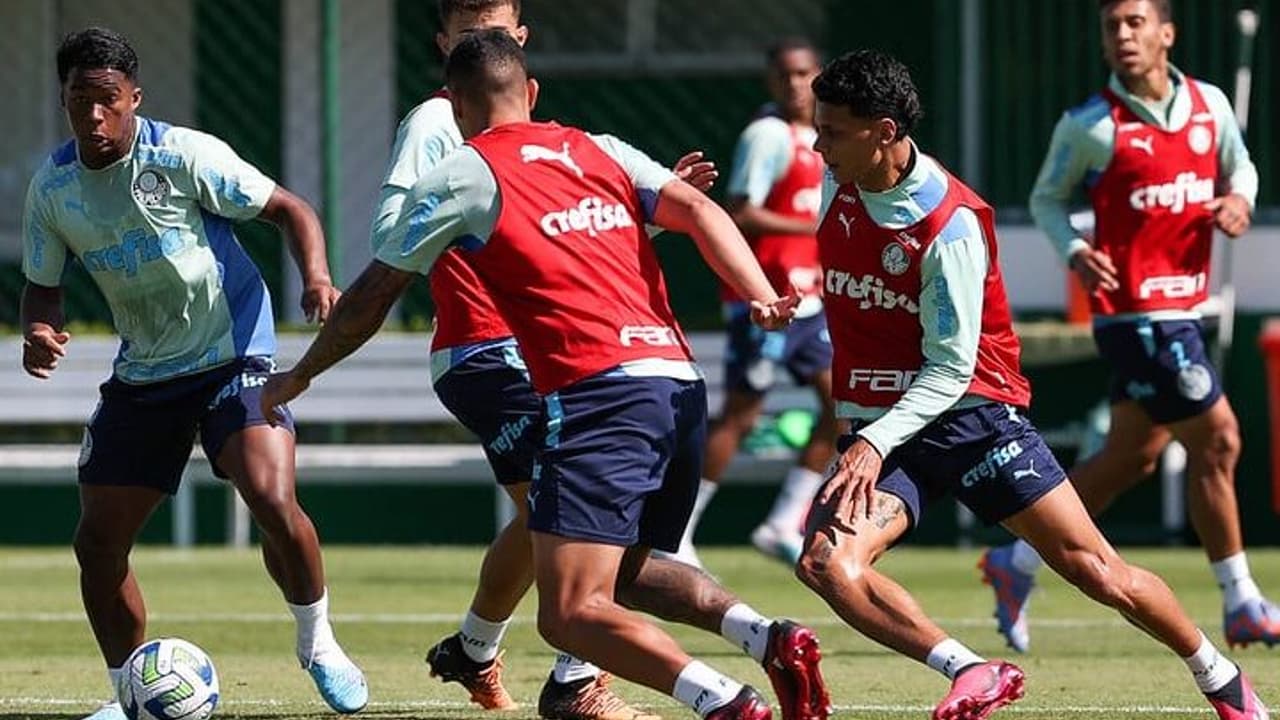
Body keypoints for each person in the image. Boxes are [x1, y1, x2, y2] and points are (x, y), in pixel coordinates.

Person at [266, 29, 829, 720]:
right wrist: (761, 293)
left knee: (568, 614)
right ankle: (769, 636)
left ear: (456, 107)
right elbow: (702, 210)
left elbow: (368, 302)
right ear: (531, 93)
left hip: (599, 396)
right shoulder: (602, 148)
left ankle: (725, 704)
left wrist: (299, 375)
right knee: (617, 572)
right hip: (678, 387)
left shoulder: (463, 174)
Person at [795, 48, 1269, 720]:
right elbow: (841, 276)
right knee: (824, 563)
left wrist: (872, 443)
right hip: (887, 426)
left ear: (885, 132)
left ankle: (1220, 677)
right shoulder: (835, 186)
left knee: (1096, 571)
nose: (817, 147)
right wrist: (780, 297)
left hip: (971, 416)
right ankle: (973, 670)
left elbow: (952, 368)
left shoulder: (948, 224)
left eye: (832, 132)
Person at [373, 3, 778, 719]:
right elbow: (394, 234)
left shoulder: (569, 145)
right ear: (445, 50)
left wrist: (632, 204)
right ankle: (577, 679)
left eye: (497, 28)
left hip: (562, 355)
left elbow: (583, 221)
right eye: (468, 33)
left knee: (557, 524)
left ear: (521, 42)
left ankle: (487, 650)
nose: (486, 40)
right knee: (564, 524)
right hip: (487, 346)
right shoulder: (438, 124)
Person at [20, 27, 367, 719]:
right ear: (64, 100)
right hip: (145, 375)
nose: (93, 115)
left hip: (233, 355)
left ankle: (318, 642)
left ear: (134, 99)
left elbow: (288, 209)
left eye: (107, 99)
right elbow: (43, 282)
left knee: (269, 496)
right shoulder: (53, 187)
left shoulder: (182, 154)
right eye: (78, 99)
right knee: (96, 543)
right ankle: (127, 695)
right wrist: (37, 327)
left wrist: (318, 278)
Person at [980, 0, 1274, 656]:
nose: (1122, 36)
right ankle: (1242, 598)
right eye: (1112, 26)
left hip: (1185, 307)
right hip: (1136, 313)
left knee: (1131, 457)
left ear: (1166, 34)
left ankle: (1016, 561)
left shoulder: (1211, 105)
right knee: (1219, 439)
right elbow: (1045, 199)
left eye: (1135, 23)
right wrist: (1075, 251)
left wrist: (1239, 200)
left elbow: (1242, 165)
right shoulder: (1090, 125)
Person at [660, 38, 837, 570]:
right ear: (770, 81)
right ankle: (679, 531)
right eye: (784, 75)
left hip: (809, 301)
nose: (795, 84)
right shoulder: (766, 135)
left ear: (819, 75)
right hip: (764, 301)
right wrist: (811, 228)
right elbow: (739, 211)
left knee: (842, 408)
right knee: (741, 414)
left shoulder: (824, 136)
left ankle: (784, 521)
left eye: (804, 73)